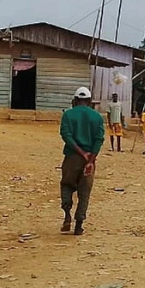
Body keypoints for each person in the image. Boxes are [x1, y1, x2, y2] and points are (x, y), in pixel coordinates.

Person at [59, 87, 104, 235]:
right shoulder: (97, 117)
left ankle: (67, 216)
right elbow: (99, 139)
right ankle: (79, 225)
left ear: (75, 100)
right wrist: (90, 159)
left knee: (66, 185)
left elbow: (66, 135)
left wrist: (80, 152)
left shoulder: (68, 115)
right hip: (89, 161)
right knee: (84, 192)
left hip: (72, 158)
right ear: (90, 101)